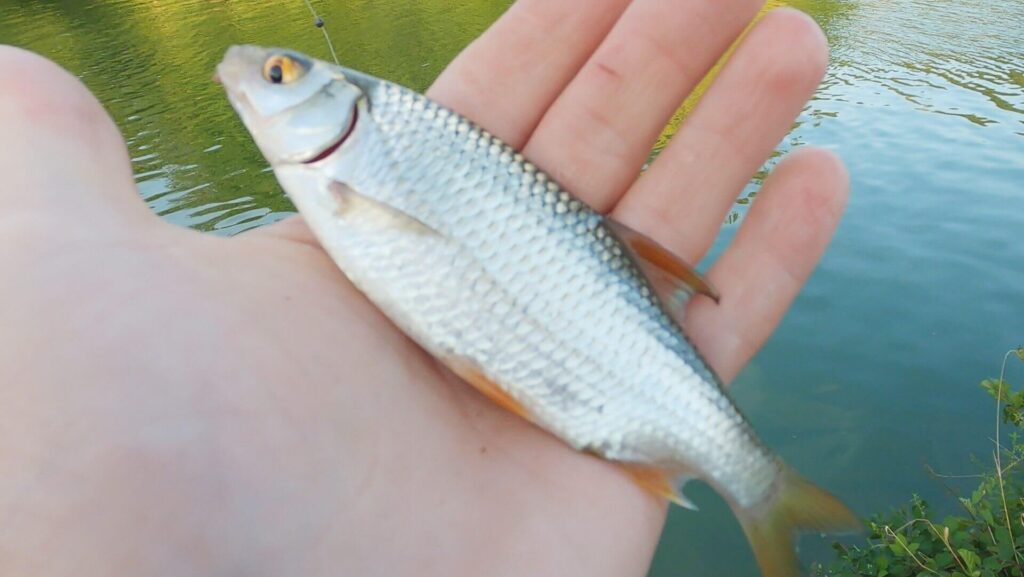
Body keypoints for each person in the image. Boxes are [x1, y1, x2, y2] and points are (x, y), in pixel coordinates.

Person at [0, 1, 847, 575]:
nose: (253, 73)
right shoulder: (342, 168)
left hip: (571, 319)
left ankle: (759, 486)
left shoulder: (362, 153)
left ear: (347, 112)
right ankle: (758, 487)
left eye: (284, 75)